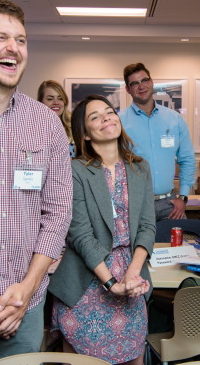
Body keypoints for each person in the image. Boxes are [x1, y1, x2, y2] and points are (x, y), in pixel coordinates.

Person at [0, 0, 72, 364]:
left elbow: (58, 214)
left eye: (21, 39)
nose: (13, 47)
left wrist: (26, 290)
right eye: (0, 37)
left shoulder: (46, 124)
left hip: (25, 305)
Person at [49, 95, 155, 365]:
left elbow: (146, 226)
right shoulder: (75, 171)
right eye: (95, 116)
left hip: (131, 278)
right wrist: (111, 283)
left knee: (133, 357)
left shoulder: (140, 167)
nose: (107, 118)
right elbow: (80, 235)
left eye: (110, 112)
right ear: (84, 134)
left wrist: (132, 274)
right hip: (86, 281)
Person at [119, 63, 196, 221]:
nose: (141, 86)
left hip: (171, 205)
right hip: (134, 205)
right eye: (134, 83)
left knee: (179, 245)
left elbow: (187, 160)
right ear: (128, 89)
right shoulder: (119, 121)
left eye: (144, 80)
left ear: (152, 81)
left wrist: (183, 197)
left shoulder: (174, 119)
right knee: (137, 247)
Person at [37, 79, 75, 157]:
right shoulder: (31, 129)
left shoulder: (74, 127)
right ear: (40, 102)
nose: (56, 102)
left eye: (60, 98)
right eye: (50, 99)